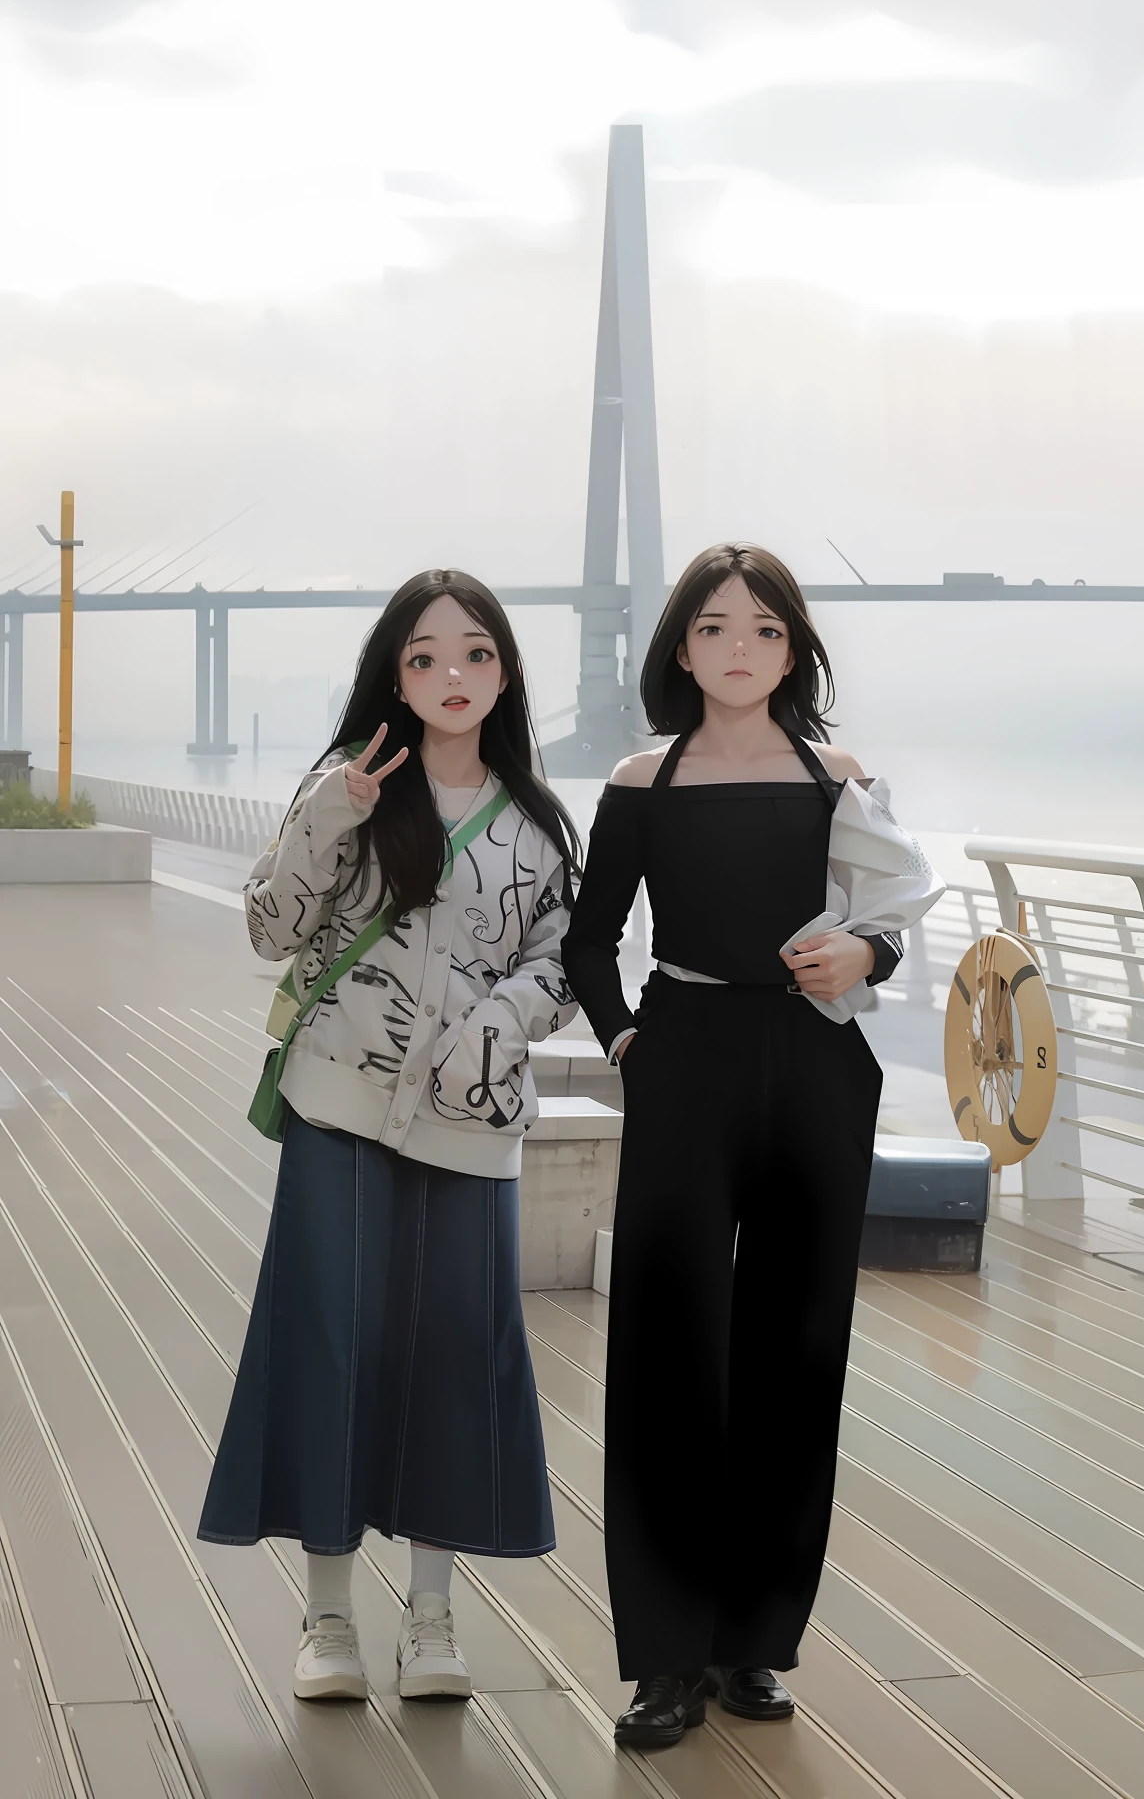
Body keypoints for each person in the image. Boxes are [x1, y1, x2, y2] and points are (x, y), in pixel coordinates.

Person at [562, 542, 940, 1751]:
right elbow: (588, 941)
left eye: (765, 629)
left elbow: (888, 920)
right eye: (715, 628)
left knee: (795, 1346)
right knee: (669, 1344)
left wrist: (864, 958)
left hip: (815, 1066)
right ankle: (664, 1657)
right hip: (685, 1058)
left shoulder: (840, 775)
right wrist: (627, 1041)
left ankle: (751, 1644)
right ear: (682, 647)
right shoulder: (642, 779)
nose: (740, 648)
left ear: (792, 647)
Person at [199, 570, 579, 1702]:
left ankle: (431, 1616)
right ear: (394, 676)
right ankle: (326, 1618)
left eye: (473, 655)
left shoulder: (540, 824)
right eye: (423, 657)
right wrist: (331, 817)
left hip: (470, 1120)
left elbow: (558, 963)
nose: (450, 676)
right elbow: (269, 929)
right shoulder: (349, 785)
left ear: (504, 672)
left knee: (456, 1354)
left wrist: (503, 1024)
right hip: (340, 1109)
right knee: (333, 1339)